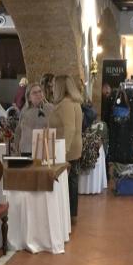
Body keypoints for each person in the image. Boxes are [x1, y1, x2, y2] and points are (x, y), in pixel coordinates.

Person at [50, 75, 83, 222]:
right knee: (72, 181)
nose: (51, 88)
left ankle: (69, 215)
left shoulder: (66, 103)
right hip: (71, 146)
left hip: (67, 148)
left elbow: (70, 128)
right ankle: (71, 214)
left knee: (69, 182)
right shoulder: (73, 102)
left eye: (53, 85)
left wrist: (63, 151)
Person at [15, 82, 53, 154]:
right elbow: (18, 130)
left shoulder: (49, 108)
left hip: (43, 150)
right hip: (26, 149)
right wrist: (16, 146)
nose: (38, 94)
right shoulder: (24, 110)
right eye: (34, 93)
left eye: (40, 91)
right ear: (29, 97)